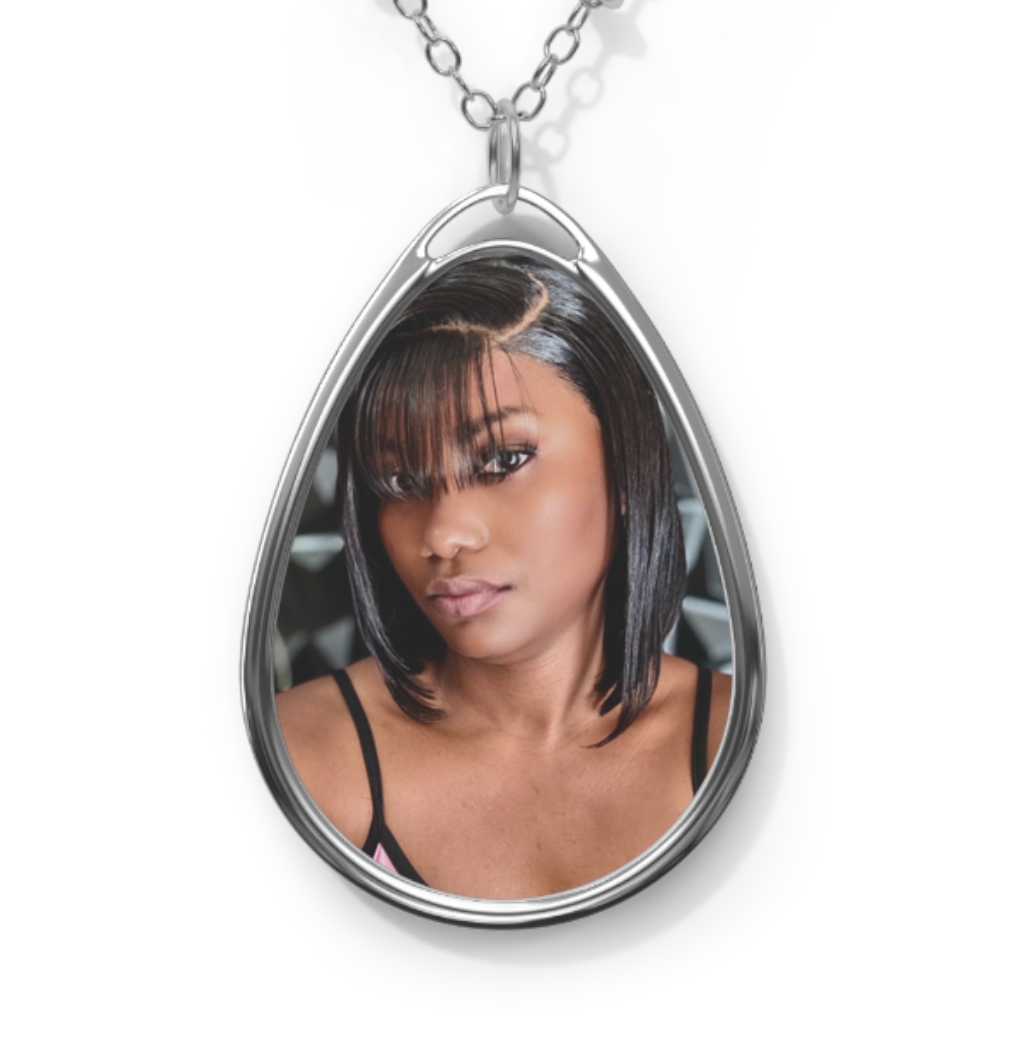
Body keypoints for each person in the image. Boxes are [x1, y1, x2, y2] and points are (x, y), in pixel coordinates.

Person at [276, 255, 731, 899]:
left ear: (626, 463)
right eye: (400, 480)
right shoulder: (302, 755)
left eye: (503, 459)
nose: (442, 534)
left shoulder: (752, 746)